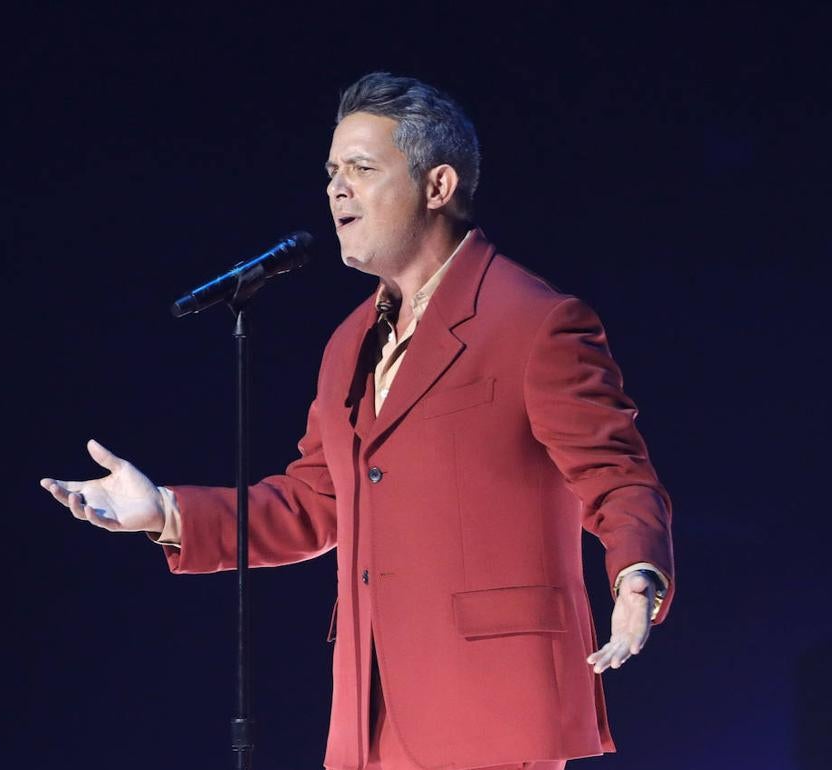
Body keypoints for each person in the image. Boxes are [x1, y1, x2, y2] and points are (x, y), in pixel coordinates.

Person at [40, 72, 674, 770]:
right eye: (332, 172)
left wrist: (636, 577)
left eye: (362, 170)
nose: (337, 188)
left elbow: (615, 472)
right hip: (369, 715)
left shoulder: (535, 321)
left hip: (493, 710)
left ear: (439, 186)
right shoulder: (348, 343)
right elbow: (315, 504)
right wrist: (164, 511)